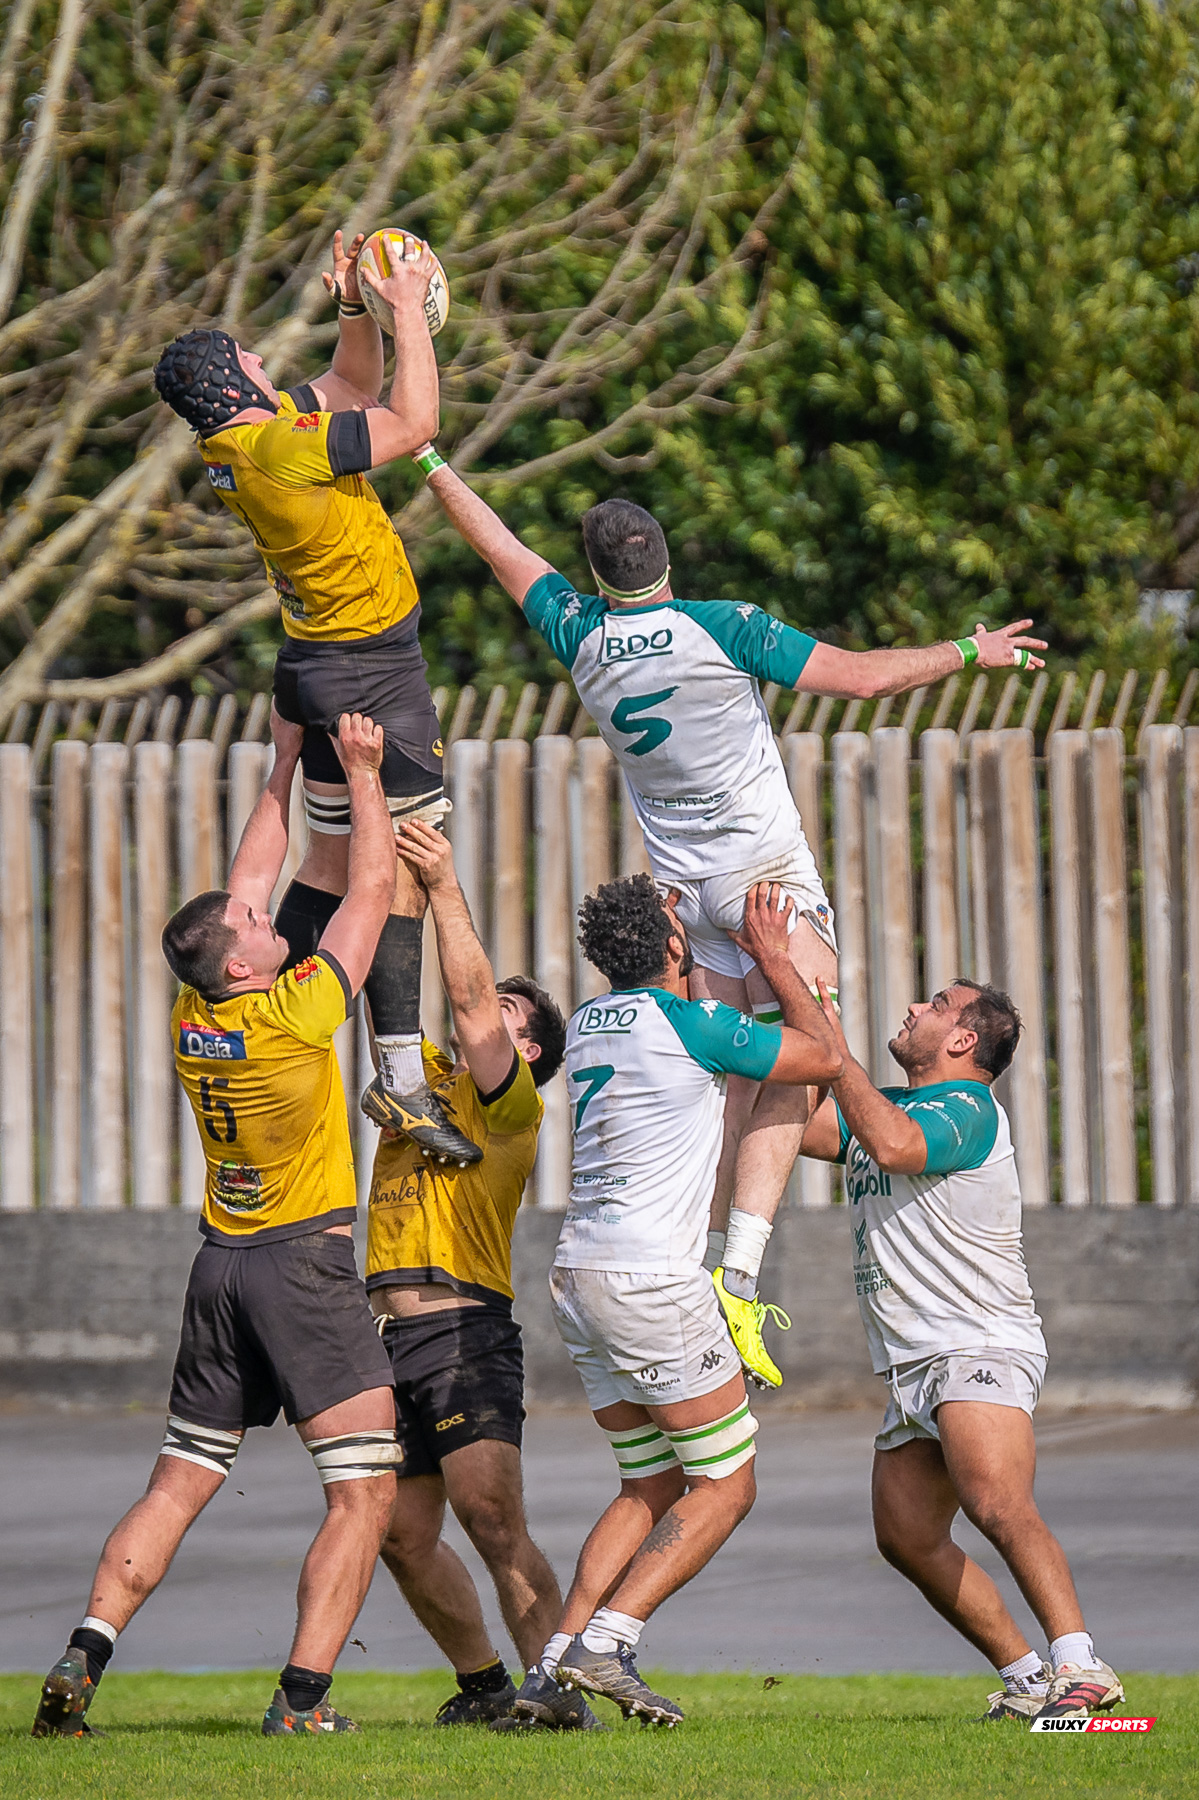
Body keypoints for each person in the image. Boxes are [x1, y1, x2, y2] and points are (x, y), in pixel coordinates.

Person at [408, 449, 1045, 1387]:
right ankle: (737, 1276)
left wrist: (428, 458)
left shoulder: (575, 632)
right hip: (765, 882)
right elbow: (862, 680)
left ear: (594, 575)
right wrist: (966, 651)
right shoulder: (724, 625)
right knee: (803, 1049)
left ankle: (689, 1260)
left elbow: (503, 549)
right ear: (665, 560)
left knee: (728, 1074)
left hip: (681, 896)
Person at [33, 709, 404, 1740]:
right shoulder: (290, 1015)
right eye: (248, 925)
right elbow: (369, 894)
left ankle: (83, 1654)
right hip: (301, 1271)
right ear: (243, 965)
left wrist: (285, 759)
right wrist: (363, 775)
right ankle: (302, 1705)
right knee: (364, 1496)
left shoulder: (195, 1013)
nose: (259, 914)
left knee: (180, 1480)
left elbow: (247, 880)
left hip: (219, 1272)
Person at [152, 232, 478, 1165]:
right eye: (253, 363)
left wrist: (353, 311)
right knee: (406, 860)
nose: (267, 367)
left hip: (321, 663)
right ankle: (403, 1078)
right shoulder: (272, 448)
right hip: (370, 670)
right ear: (230, 385)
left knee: (334, 867)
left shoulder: (239, 443)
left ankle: (248, 980)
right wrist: (406, 308)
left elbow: (343, 389)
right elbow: (407, 423)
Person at [498, 877, 840, 1730]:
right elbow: (818, 1058)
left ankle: (547, 1671)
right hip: (650, 1282)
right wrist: (768, 956)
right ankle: (606, 1642)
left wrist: (662, 923)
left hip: (578, 1275)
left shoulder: (584, 1023)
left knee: (648, 1480)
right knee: (725, 1483)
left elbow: (671, 1001)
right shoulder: (691, 1026)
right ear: (675, 950)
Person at [798, 969, 1124, 1726]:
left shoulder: (963, 1107)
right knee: (906, 1536)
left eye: (935, 1005)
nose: (914, 1007)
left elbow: (893, 1145)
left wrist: (826, 1039)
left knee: (996, 1502)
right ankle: (1028, 1677)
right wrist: (776, 1013)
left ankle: (1083, 1667)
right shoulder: (896, 1104)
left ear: (961, 1039)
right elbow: (804, 1125)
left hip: (976, 1342)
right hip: (914, 1358)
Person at [364, 820, 588, 1727]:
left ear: (525, 1049)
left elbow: (462, 1001)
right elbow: (392, 968)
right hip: (379, 1333)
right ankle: (486, 1686)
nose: (479, 1012)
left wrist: (448, 878)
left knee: (492, 1523)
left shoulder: (513, 1107)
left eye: (505, 1012)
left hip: (462, 1331)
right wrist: (390, 846)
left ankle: (557, 1693)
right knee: (397, 1534)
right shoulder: (413, 1076)